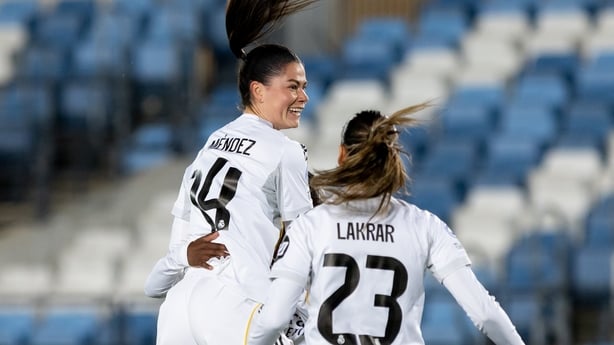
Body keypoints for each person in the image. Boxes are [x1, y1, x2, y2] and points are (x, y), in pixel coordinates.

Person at [245, 105, 526, 345]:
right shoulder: (424, 225)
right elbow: (486, 314)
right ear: (394, 158)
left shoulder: (312, 225)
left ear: (342, 154)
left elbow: (274, 319)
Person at [144, 0, 318, 344]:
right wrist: (299, 313)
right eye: (293, 86)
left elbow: (171, 256)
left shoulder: (212, 142)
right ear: (258, 90)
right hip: (236, 303)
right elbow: (305, 243)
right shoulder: (285, 151)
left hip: (180, 304)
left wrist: (173, 265)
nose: (304, 97)